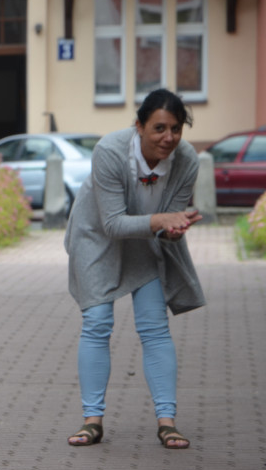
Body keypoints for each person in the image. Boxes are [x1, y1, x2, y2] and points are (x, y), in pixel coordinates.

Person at [64, 88, 204, 449]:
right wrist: (162, 220)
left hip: (147, 239)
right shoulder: (110, 151)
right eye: (159, 128)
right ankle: (92, 421)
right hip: (97, 236)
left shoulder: (186, 159)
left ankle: (167, 421)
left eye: (175, 128)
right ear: (139, 126)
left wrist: (175, 230)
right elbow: (112, 224)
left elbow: (167, 224)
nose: (168, 137)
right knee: (97, 323)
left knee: (155, 325)